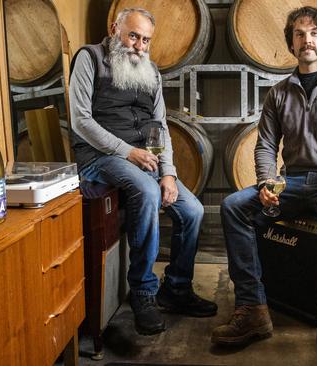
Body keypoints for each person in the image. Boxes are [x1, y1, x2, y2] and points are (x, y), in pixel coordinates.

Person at [211, 6, 317, 366]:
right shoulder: (279, 92)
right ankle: (252, 308)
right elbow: (266, 145)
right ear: (292, 44)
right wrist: (267, 181)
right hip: (292, 181)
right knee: (234, 206)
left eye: (314, 33)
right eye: (299, 34)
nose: (306, 40)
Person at [68, 7, 217, 336]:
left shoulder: (151, 71)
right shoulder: (89, 59)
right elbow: (80, 120)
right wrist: (127, 151)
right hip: (100, 157)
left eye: (145, 40)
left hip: (143, 158)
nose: (138, 45)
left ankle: (176, 289)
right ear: (114, 29)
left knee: (192, 210)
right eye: (133, 35)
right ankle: (143, 291)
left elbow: (160, 126)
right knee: (146, 192)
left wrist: (168, 172)